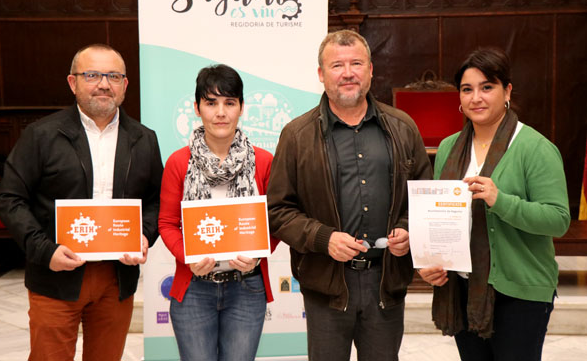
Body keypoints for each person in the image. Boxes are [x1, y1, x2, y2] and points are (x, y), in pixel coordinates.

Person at [267, 29, 432, 360]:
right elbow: (278, 211)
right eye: (337, 65)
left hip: (386, 281)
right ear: (321, 74)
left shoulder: (402, 127)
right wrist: (324, 238)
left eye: (356, 63)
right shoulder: (296, 136)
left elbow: (423, 198)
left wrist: (407, 228)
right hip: (326, 286)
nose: (347, 73)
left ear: (370, 70)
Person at [0, 44, 163, 361]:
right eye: (92, 75)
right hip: (55, 275)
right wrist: (44, 250)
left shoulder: (144, 139)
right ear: (73, 82)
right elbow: (10, 198)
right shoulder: (41, 135)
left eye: (113, 76)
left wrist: (144, 234)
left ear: (125, 85)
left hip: (116, 279)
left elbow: (156, 200)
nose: (104, 84)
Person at [418, 47, 570, 360]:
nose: (476, 98)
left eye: (487, 87)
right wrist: (431, 262)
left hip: (520, 292)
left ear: (507, 91)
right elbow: (440, 219)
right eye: (467, 89)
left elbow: (558, 220)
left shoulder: (535, 148)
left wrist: (500, 200)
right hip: (463, 290)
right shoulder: (448, 148)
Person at [158, 64, 279, 361]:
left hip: (247, 288)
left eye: (229, 103)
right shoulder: (178, 162)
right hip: (194, 289)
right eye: (211, 103)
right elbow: (167, 223)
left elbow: (277, 220)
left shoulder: (264, 161)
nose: (221, 112)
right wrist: (188, 257)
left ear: (241, 108)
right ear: (197, 108)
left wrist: (258, 254)